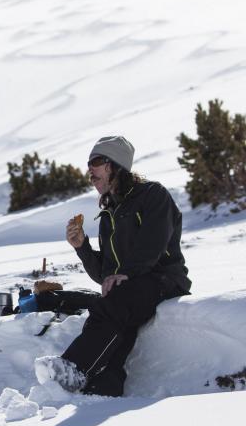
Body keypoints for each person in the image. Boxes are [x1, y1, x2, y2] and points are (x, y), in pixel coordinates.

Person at [34, 135, 191, 396]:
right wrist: (82, 246)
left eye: (96, 162)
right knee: (110, 306)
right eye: (89, 164)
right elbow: (105, 275)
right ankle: (106, 384)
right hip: (132, 289)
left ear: (115, 165)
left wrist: (125, 274)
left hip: (164, 280)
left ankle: (74, 368)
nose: (90, 171)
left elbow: (152, 244)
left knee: (115, 303)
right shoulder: (110, 212)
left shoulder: (153, 195)